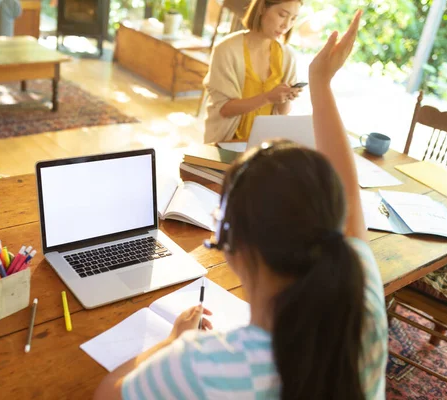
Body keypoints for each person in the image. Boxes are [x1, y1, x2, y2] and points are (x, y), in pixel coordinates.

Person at [95, 11, 388, 400]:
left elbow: (108, 393)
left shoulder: (204, 367)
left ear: (235, 248)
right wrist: (322, 81)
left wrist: (172, 342)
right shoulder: (363, 293)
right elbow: (349, 197)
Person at [203, 0, 305, 143]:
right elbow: (225, 109)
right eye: (282, 15)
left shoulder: (287, 56)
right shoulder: (226, 49)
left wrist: (287, 96)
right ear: (263, 8)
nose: (286, 25)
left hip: (265, 145)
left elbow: (282, 112)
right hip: (227, 142)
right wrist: (268, 97)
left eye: (293, 18)